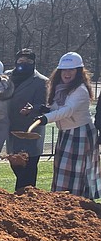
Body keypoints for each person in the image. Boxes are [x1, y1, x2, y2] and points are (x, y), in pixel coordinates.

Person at [34, 52, 100, 199]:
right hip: (66, 133)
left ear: (78, 72)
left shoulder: (80, 90)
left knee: (77, 172)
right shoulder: (60, 88)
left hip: (80, 134)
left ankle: (77, 204)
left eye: (71, 70)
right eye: (64, 70)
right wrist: (46, 110)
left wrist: (46, 118)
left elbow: (67, 110)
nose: (67, 73)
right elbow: (58, 108)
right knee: (62, 170)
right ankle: (62, 203)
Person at [5, 49, 48, 191]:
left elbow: (44, 106)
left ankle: (26, 199)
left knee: (28, 170)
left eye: (29, 62)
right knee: (15, 165)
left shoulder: (41, 81)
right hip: (12, 130)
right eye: (21, 61)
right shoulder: (7, 77)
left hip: (31, 131)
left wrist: (33, 109)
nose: (24, 64)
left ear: (34, 63)